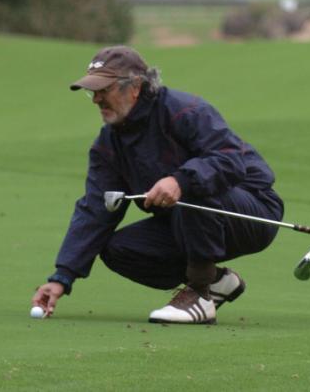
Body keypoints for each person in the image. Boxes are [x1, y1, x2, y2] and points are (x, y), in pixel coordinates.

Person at [32, 46, 284, 324]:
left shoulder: (184, 110)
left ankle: (200, 293)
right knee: (119, 249)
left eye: (104, 89)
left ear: (136, 87)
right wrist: (62, 277)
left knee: (192, 190)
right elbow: (97, 207)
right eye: (93, 92)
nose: (97, 100)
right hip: (188, 220)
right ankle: (217, 282)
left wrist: (180, 180)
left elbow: (230, 159)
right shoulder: (109, 144)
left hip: (252, 210)